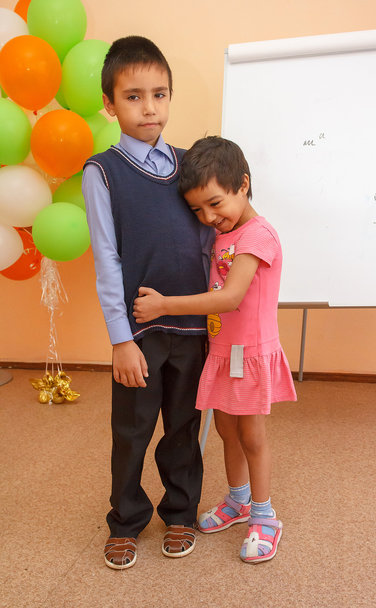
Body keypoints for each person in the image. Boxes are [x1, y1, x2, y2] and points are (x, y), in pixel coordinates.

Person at [133, 136, 297, 564]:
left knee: (252, 436)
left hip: (250, 353)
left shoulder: (258, 235)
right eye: (197, 210)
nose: (208, 217)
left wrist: (164, 306)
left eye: (215, 204)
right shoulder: (225, 232)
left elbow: (230, 296)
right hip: (224, 352)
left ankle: (264, 515)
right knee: (226, 431)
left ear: (243, 184)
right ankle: (238, 500)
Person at [82, 36, 213, 569]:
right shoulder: (102, 171)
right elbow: (106, 259)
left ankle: (181, 512)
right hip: (139, 335)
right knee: (132, 431)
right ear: (110, 104)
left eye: (159, 94)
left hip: (193, 328)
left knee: (183, 428)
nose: (149, 107)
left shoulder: (190, 165)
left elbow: (212, 237)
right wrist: (120, 339)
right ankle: (126, 519)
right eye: (133, 96)